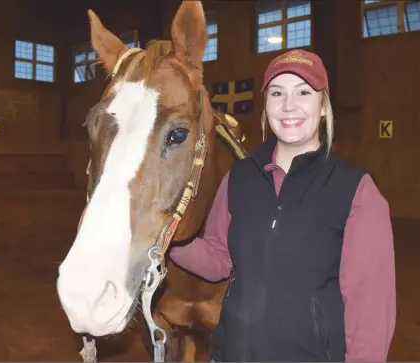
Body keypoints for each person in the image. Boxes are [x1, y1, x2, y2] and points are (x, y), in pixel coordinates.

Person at [169, 49, 396, 362]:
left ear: (324, 107)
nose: (289, 105)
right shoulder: (240, 177)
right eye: (277, 93)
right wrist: (167, 234)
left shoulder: (356, 190)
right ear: (267, 107)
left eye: (303, 92)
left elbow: (369, 309)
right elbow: (218, 259)